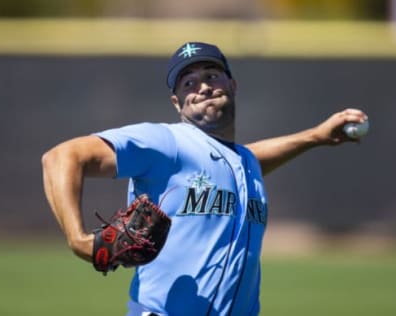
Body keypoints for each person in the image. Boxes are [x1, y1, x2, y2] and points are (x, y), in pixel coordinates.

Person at [42, 42, 368, 316]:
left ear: (232, 85)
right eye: (189, 83)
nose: (202, 87)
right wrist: (78, 239)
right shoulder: (166, 142)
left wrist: (316, 136)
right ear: (177, 102)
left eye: (211, 76)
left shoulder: (244, 164)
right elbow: (61, 157)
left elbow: (247, 159)